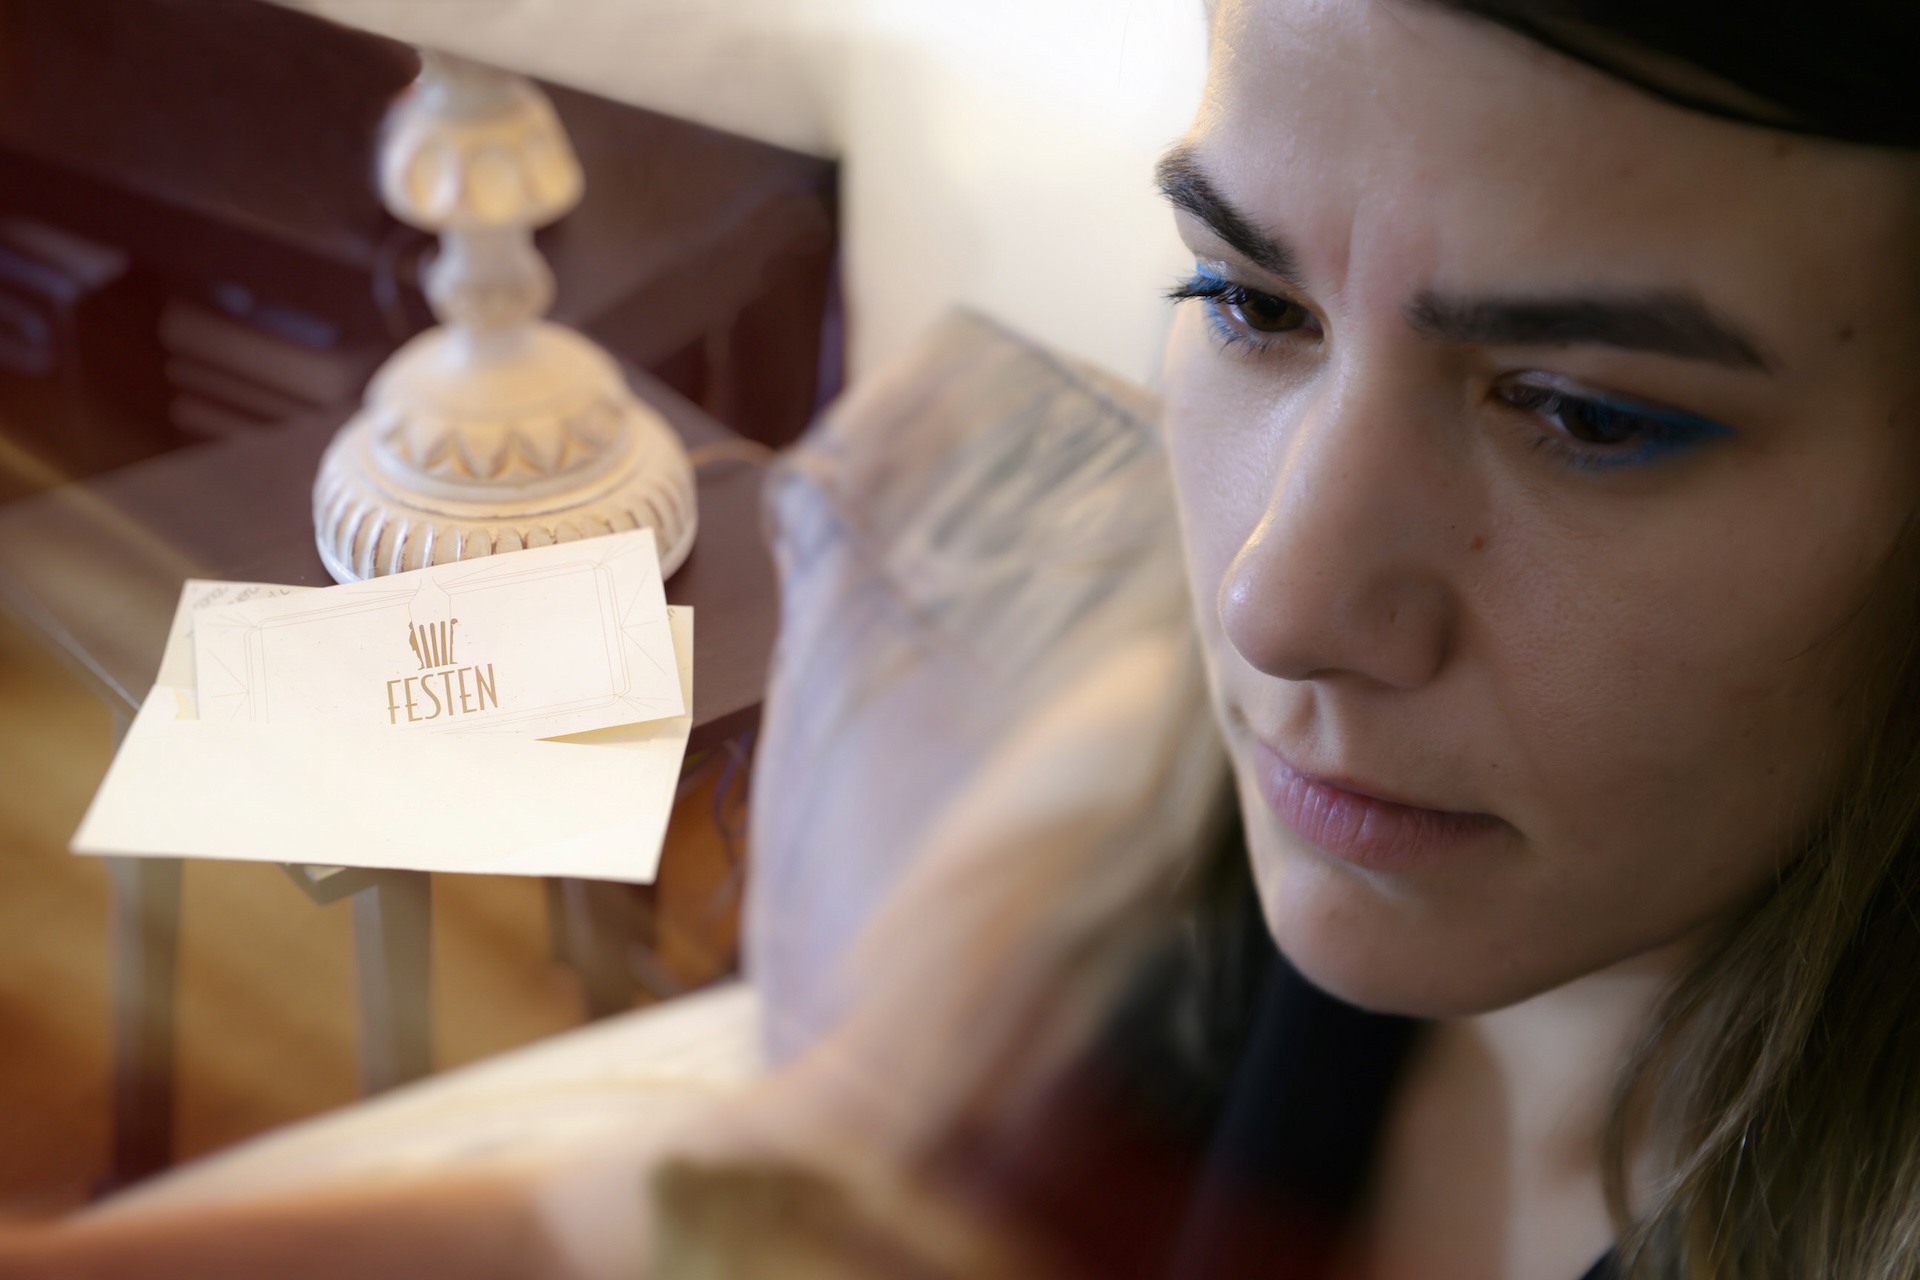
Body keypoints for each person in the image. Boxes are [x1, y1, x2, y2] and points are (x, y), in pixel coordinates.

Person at [7, 1, 1920, 1276]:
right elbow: (778, 1201)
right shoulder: (1178, 792)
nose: (1272, 602)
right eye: (1251, 303)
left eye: (1585, 412)